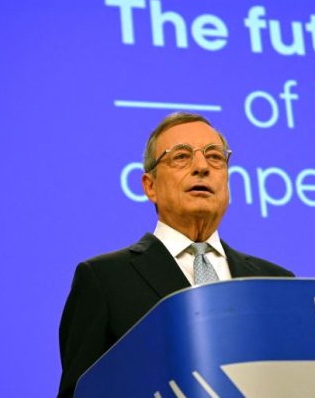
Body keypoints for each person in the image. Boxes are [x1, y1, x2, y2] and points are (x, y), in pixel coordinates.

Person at [57, 112, 293, 397]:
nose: (202, 167)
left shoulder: (275, 281)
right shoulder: (105, 280)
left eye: (215, 157)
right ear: (150, 186)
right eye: (181, 157)